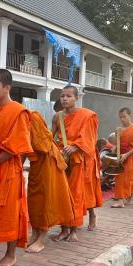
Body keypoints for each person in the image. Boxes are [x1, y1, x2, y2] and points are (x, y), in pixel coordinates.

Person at [0, 69, 32, 266]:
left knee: (11, 211)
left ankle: (10, 254)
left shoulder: (18, 111)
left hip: (8, 168)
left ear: (7, 88)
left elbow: (16, 145)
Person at [53, 86, 102, 241]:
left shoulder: (86, 116)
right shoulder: (57, 117)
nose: (65, 99)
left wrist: (74, 147)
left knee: (75, 194)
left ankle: (73, 229)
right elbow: (50, 137)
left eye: (68, 96)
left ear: (76, 98)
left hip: (79, 160)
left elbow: (89, 139)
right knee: (62, 194)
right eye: (62, 96)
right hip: (62, 159)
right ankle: (63, 229)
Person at [25, 110, 75, 253]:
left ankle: (42, 238)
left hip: (47, 161)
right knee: (34, 199)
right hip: (36, 162)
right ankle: (35, 232)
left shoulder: (31, 116)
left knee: (45, 199)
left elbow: (42, 144)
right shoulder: (16, 117)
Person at [111, 108, 133, 208]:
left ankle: (126, 198)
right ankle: (121, 200)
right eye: (120, 117)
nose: (122, 119)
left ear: (130, 115)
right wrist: (113, 151)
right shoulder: (118, 130)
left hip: (131, 156)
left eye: (124, 117)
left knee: (129, 178)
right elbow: (117, 144)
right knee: (120, 178)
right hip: (120, 156)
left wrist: (126, 155)